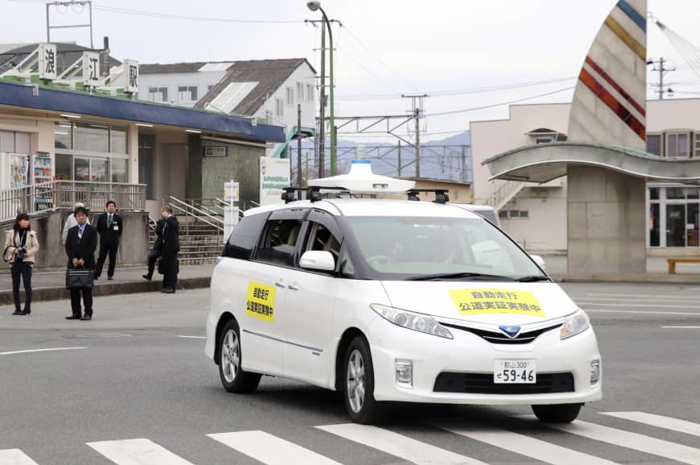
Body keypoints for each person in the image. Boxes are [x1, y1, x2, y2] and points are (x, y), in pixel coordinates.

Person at [65, 206, 97, 321]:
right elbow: (67, 246)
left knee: (86, 289)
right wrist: (73, 258)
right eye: (79, 216)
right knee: (74, 289)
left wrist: (83, 258)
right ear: (75, 217)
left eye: (83, 215)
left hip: (86, 263)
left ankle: (88, 312)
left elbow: (92, 246)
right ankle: (76, 312)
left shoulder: (91, 230)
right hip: (73, 264)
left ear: (86, 217)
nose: (81, 217)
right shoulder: (72, 230)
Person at [4, 213, 39, 315]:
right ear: (19, 221)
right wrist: (15, 250)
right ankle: (17, 308)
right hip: (15, 261)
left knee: (27, 284)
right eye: (25, 220)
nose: (27, 222)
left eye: (28, 220)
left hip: (27, 261)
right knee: (15, 285)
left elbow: (36, 246)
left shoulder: (31, 233)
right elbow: (7, 246)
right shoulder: (11, 233)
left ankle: (27, 308)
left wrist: (27, 252)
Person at [95, 200, 123, 281]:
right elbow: (98, 228)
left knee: (112, 258)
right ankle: (96, 273)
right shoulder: (101, 217)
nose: (111, 207)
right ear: (107, 207)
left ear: (115, 208)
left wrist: (114, 237)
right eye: (110, 206)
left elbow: (120, 230)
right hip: (104, 241)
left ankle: (110, 275)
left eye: (113, 206)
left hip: (114, 242)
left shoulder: (118, 218)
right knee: (101, 258)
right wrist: (104, 236)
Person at [157, 206, 179, 293]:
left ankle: (171, 286)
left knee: (172, 267)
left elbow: (173, 224)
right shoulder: (165, 221)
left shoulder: (173, 219)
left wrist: (167, 216)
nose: (162, 214)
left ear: (167, 212)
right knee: (167, 267)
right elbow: (160, 231)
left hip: (172, 247)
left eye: (163, 212)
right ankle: (166, 285)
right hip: (165, 247)